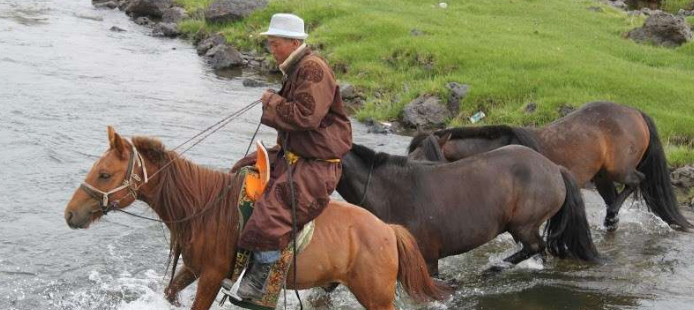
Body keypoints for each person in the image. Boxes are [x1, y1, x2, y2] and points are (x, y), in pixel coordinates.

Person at [231, 13, 352, 300]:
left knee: (272, 211)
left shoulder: (312, 70)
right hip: (296, 155)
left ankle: (259, 281)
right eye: (270, 44)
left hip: (316, 166)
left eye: (275, 44)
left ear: (294, 42)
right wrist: (277, 100)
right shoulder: (298, 67)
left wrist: (272, 101)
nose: (271, 49)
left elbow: (305, 117)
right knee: (242, 170)